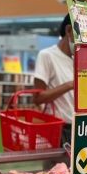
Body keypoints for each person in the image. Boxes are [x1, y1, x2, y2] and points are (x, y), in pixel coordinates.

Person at [33, 14, 75, 146]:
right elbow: (38, 97)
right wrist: (70, 85)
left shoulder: (80, 60)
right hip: (59, 130)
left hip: (81, 129)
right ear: (69, 30)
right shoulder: (47, 56)